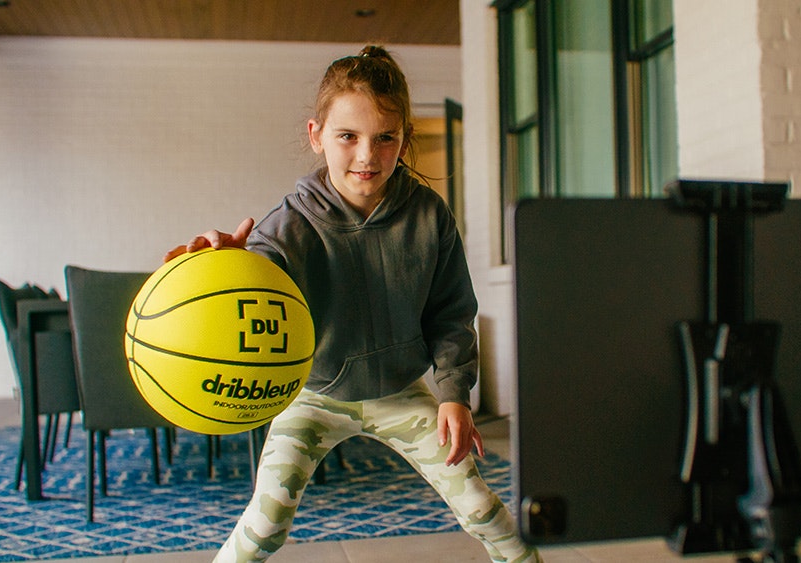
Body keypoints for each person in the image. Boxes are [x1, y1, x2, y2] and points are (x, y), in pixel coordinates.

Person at [164, 46, 540, 563]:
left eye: (385, 138)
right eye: (348, 137)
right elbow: (252, 286)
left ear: (404, 139)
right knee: (266, 522)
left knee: (481, 507)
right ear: (317, 136)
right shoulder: (288, 225)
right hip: (313, 394)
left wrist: (454, 393)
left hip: (400, 390)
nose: (367, 155)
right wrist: (222, 267)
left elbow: (451, 312)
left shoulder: (429, 215)